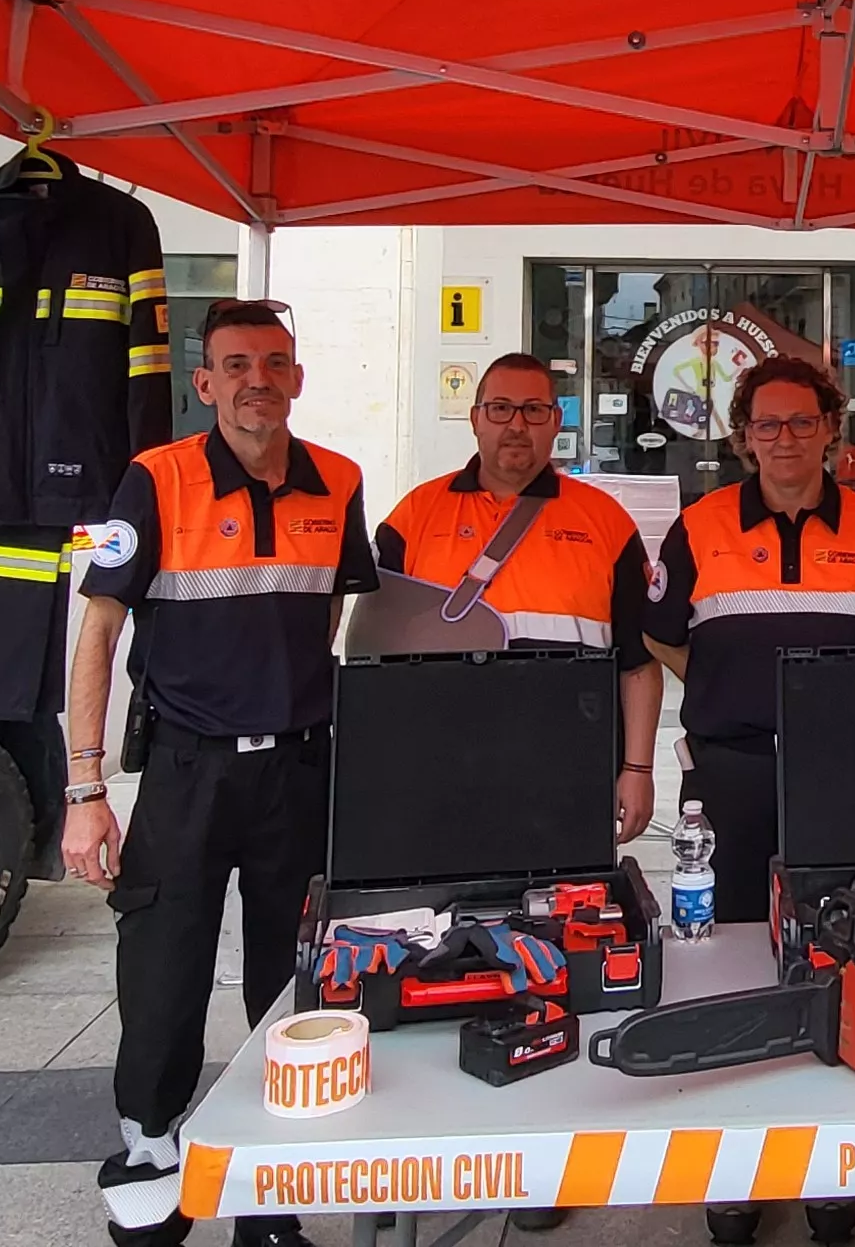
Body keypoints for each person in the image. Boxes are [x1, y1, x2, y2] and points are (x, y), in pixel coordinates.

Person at [64, 300, 377, 1247]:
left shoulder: (341, 480)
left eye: (275, 362)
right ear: (204, 384)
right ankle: (151, 1149)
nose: (257, 380)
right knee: (165, 969)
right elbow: (99, 634)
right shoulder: (154, 480)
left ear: (296, 378)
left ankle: (267, 1177)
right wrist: (85, 792)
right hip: (188, 770)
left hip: (300, 770)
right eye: (236, 364)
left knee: (291, 982)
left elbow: (326, 614)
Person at [374, 351, 667, 1238]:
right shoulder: (412, 516)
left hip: (564, 782)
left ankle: (544, 1156)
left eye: (534, 411)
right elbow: (367, 655)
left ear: (557, 421)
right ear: (475, 417)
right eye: (500, 408)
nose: (516, 427)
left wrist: (638, 765)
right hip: (439, 783)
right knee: (434, 955)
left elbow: (637, 659)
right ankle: (417, 1143)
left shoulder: (604, 520)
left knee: (556, 956)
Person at [644, 354, 855, 1247]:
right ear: (742, 438)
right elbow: (660, 635)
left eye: (802, 422)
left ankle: (828, 1172)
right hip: (730, 774)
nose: (785, 438)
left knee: (840, 966)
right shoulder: (698, 526)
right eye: (767, 424)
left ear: (829, 430)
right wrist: (726, 688)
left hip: (844, 779)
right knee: (731, 966)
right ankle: (735, 1174)